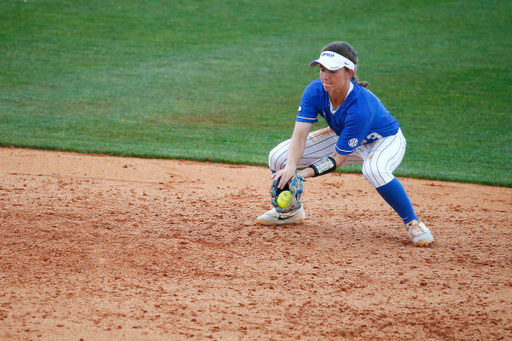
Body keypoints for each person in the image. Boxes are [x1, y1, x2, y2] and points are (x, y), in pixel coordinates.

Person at [255, 41, 434, 247]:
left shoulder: (361, 107)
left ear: (348, 73)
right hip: (345, 136)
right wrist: (290, 167)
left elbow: (337, 159)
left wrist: (301, 174)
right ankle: (290, 212)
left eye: (332, 71)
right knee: (279, 157)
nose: (325, 76)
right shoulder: (315, 91)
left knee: (374, 169)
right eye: (322, 70)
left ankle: (413, 223)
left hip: (383, 141)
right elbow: (299, 136)